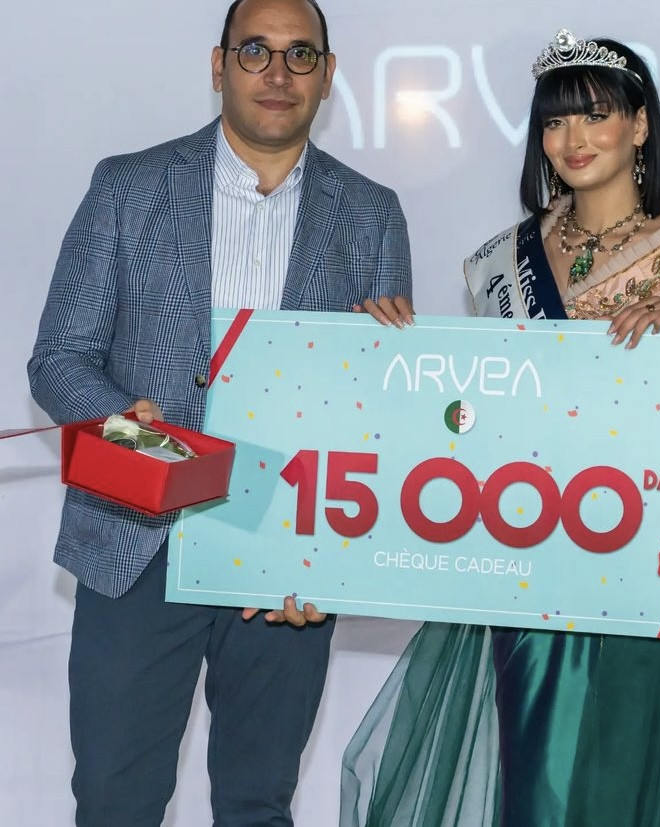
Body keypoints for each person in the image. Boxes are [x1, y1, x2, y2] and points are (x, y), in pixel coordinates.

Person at [341, 29, 660, 827]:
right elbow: (479, 421)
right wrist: (396, 350)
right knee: (539, 792)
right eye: (555, 122)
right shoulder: (506, 260)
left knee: (621, 792)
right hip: (532, 570)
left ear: (638, 125)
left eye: (596, 116)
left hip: (639, 571)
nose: (573, 139)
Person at [28, 0, 412, 824]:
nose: (278, 73)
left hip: (285, 552)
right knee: (114, 800)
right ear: (218, 65)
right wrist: (133, 434)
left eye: (301, 55)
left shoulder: (371, 211)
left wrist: (333, 555)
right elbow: (58, 358)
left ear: (328, 76)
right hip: (138, 539)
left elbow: (376, 414)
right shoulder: (128, 187)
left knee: (256, 802)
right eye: (255, 51)